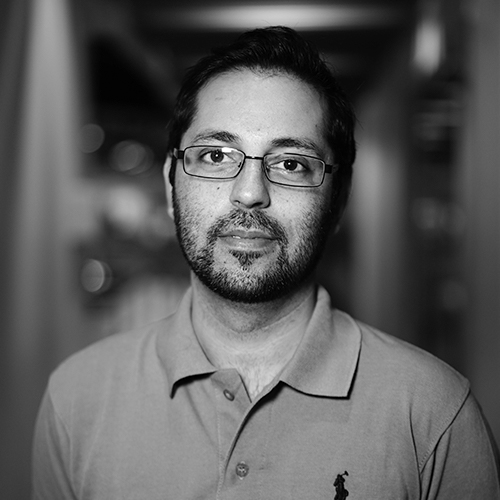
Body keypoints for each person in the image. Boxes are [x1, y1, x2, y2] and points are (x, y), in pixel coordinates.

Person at [32, 26, 500, 499]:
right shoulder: (76, 399)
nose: (250, 193)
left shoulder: (435, 415)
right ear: (171, 185)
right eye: (216, 155)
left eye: (291, 163)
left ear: (338, 201)